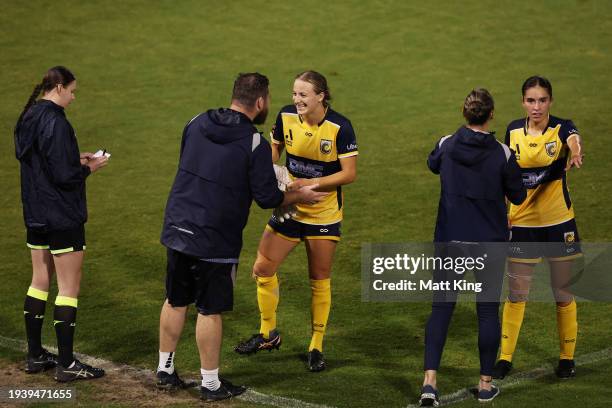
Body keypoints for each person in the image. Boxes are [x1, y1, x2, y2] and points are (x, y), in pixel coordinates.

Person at [156, 72, 326, 402]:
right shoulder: (254, 144)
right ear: (260, 102)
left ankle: (164, 370)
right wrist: (299, 196)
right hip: (214, 237)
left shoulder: (196, 121)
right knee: (208, 310)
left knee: (176, 299)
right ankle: (210, 384)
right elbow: (267, 198)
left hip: (178, 225)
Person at [234, 70, 358, 372]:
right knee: (263, 267)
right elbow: (275, 149)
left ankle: (316, 344)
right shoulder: (286, 116)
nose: (296, 99)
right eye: (294, 94)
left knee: (318, 279)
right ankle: (268, 333)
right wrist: (271, 168)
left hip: (323, 214)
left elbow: (348, 173)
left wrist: (310, 186)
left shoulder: (340, 127)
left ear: (321, 96)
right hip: (290, 207)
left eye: (303, 94)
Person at [419, 89, 526, 406]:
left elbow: (431, 164)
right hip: (489, 243)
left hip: (451, 239)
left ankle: (429, 384)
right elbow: (518, 196)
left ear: (464, 113)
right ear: (491, 114)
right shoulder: (503, 154)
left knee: (441, 309)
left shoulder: (447, 144)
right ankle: (484, 385)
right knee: (486, 312)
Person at [14, 66, 109, 382]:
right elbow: (64, 177)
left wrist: (73, 158)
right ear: (57, 87)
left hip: (36, 212)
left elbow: (43, 161)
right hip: (62, 215)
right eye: (71, 91)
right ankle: (67, 364)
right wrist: (89, 168)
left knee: (39, 279)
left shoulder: (28, 116)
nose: (73, 96)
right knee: (68, 287)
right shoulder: (56, 122)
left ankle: (35, 355)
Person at [493, 76, 584, 380]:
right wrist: (501, 211)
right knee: (517, 293)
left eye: (542, 100)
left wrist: (575, 151)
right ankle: (504, 358)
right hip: (522, 224)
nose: (536, 106)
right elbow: (509, 176)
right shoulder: (512, 131)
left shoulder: (561, 128)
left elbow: (574, 139)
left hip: (559, 223)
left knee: (563, 293)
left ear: (550, 102)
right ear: (523, 102)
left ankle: (567, 358)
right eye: (531, 100)